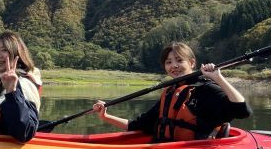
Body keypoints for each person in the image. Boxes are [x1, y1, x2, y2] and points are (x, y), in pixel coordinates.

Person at [92, 42, 251, 141]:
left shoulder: (205, 88)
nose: (174, 66)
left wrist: (218, 78)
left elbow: (243, 111)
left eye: (179, 60)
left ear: (192, 63)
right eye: (168, 62)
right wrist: (105, 116)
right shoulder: (170, 92)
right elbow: (137, 125)